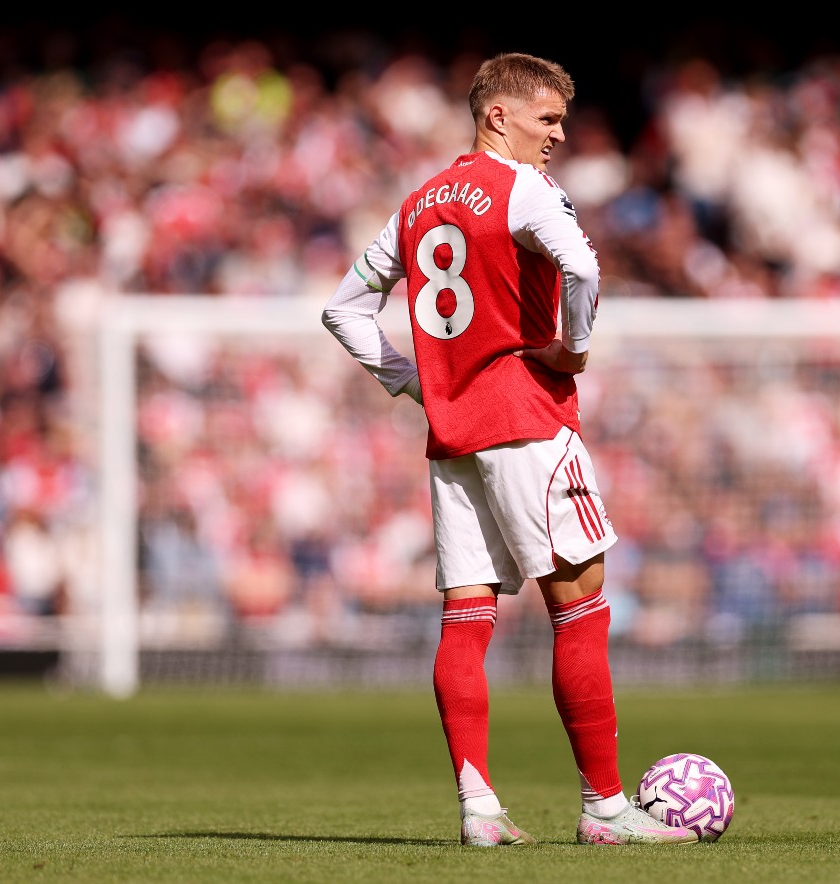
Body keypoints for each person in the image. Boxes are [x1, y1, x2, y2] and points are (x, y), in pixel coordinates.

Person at [322, 52, 697, 847]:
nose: (558, 135)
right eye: (547, 119)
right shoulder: (523, 189)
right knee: (581, 610)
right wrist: (573, 349)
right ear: (499, 116)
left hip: (453, 436)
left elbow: (344, 310)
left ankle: (479, 809)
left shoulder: (419, 203)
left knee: (466, 620)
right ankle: (604, 809)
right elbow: (584, 267)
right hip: (527, 420)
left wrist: (419, 383)